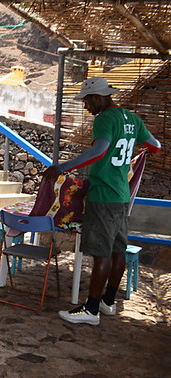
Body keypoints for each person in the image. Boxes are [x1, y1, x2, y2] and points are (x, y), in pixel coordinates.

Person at [43, 77, 161, 325]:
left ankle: (92, 310)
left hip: (103, 195)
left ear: (97, 97)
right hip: (122, 197)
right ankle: (108, 301)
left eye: (86, 102)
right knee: (118, 250)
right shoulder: (133, 119)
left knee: (102, 254)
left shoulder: (105, 119)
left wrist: (61, 168)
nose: (86, 107)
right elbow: (156, 146)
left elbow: (99, 151)